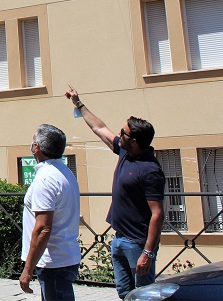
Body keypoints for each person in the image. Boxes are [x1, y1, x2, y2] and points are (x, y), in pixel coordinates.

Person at [65, 85, 165, 299]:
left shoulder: (150, 170)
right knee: (124, 293)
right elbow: (99, 128)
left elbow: (157, 213)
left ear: (135, 141)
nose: (119, 135)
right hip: (119, 238)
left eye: (124, 133)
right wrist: (79, 104)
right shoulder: (125, 151)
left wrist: (147, 253)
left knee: (144, 295)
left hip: (138, 243)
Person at [20, 124, 81, 300]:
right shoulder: (64, 171)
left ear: (37, 147)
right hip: (63, 256)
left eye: (33, 141)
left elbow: (43, 228)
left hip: (52, 261)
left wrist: (27, 270)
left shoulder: (45, 180)